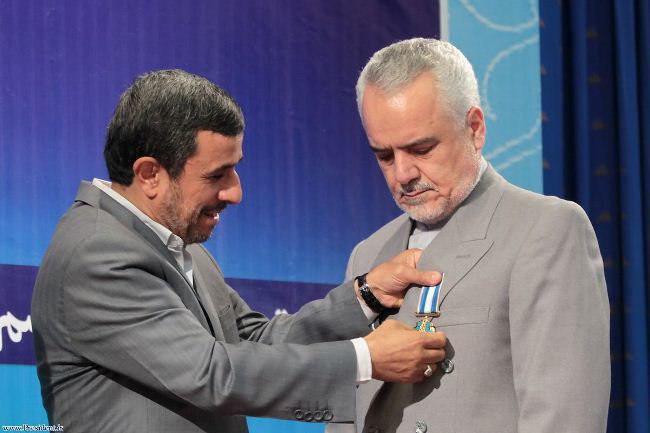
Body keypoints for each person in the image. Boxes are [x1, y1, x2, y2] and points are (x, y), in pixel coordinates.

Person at [31, 69, 448, 433]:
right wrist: (365, 359)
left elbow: (258, 342)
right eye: (217, 175)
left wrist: (366, 296)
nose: (235, 192)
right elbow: (211, 374)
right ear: (150, 174)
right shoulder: (97, 253)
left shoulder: (178, 244)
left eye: (234, 169)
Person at [345, 38, 610, 433]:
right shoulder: (367, 255)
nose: (402, 174)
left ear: (474, 128)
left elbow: (565, 418)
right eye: (385, 155)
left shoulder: (546, 229)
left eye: (421, 149)